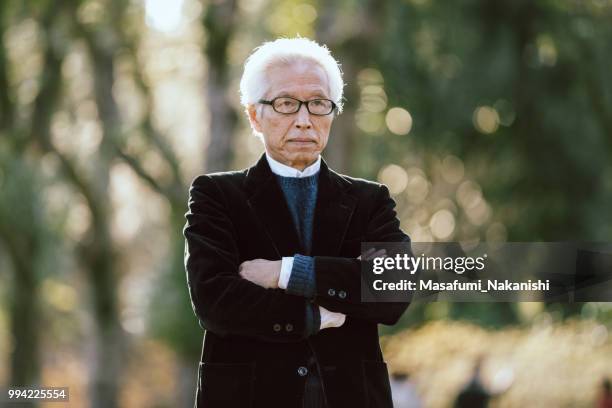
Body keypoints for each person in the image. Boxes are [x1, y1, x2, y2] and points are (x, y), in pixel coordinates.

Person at [183, 37, 411, 408]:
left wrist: (286, 273)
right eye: (286, 104)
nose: (304, 120)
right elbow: (216, 301)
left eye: (318, 104)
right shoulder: (217, 195)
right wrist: (311, 318)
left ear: (333, 113)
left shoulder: (370, 201)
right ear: (255, 115)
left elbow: (392, 289)